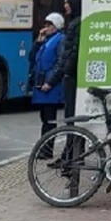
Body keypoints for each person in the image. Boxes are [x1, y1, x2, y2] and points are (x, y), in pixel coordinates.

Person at [29, 12, 66, 158]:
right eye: (45, 24)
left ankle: (47, 150)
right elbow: (31, 57)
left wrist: (50, 82)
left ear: (56, 26)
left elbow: (60, 62)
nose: (46, 27)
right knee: (44, 118)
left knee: (50, 119)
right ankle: (44, 148)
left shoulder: (60, 40)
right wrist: (38, 42)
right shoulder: (45, 41)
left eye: (49, 24)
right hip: (41, 84)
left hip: (51, 86)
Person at [58, 0, 82, 121]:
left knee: (71, 111)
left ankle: (72, 141)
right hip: (70, 74)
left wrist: (66, 70)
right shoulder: (73, 22)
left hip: (72, 75)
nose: (65, 5)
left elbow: (74, 49)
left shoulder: (77, 23)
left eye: (68, 2)